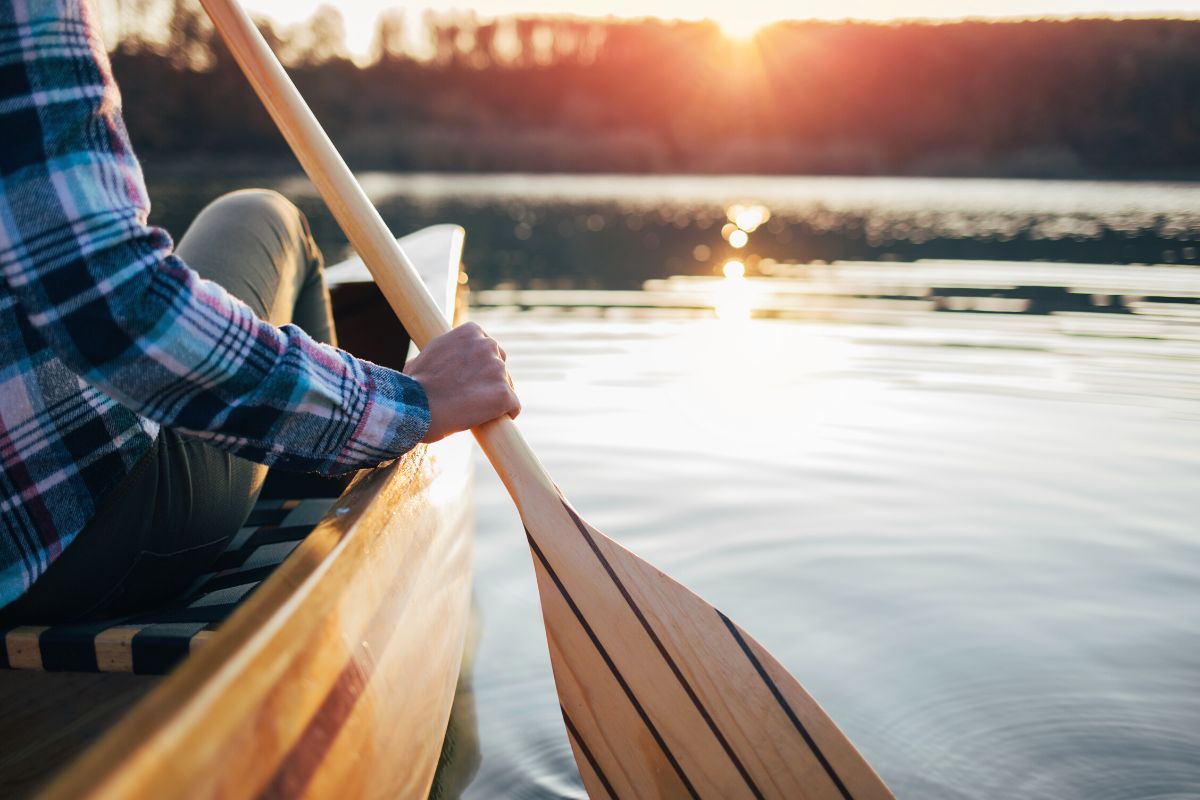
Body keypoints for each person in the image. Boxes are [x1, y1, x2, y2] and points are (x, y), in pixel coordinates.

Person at [0, 0, 519, 623]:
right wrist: (408, 407)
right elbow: (116, 310)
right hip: (73, 535)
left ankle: (321, 447)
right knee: (261, 215)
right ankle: (337, 490)